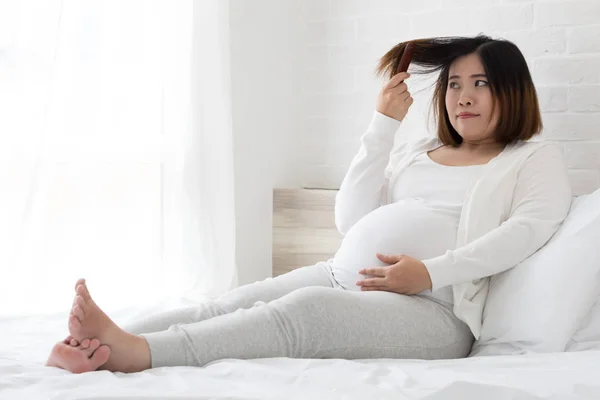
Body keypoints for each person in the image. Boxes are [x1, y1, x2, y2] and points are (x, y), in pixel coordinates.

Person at [45, 34, 572, 374]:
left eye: (480, 83)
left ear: (512, 91)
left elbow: (523, 234)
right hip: (341, 271)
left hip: (435, 312)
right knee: (228, 302)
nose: (462, 97)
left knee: (303, 313)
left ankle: (139, 354)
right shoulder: (422, 149)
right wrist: (384, 124)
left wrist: (429, 274)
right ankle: (109, 341)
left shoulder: (533, 158)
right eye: (454, 84)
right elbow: (350, 219)